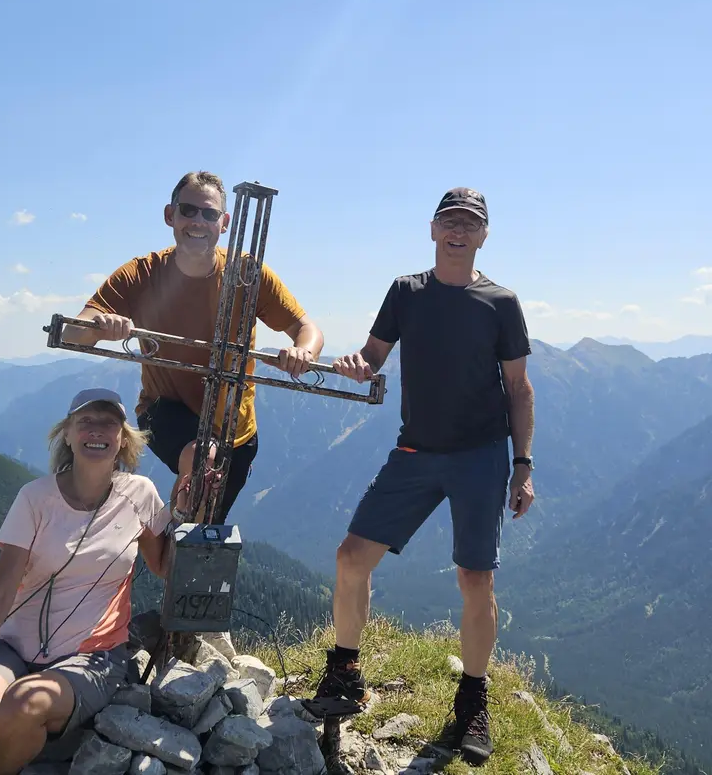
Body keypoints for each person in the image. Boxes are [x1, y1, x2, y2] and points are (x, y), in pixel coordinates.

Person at [301, 187, 536, 766]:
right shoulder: (405, 292)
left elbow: (518, 387)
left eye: (470, 224)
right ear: (432, 229)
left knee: (475, 580)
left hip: (481, 455)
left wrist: (523, 465)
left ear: (484, 236)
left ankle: (472, 701)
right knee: (351, 557)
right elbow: (373, 355)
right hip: (415, 450)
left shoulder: (501, 302)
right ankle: (345, 672)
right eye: (449, 221)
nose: (458, 231)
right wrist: (357, 364)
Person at [0, 387, 192, 775]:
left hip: (94, 655)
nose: (96, 430)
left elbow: (163, 565)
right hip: (13, 648)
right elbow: (0, 591)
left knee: (24, 704)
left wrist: (184, 514)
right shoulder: (35, 499)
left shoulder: (140, 494)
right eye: (85, 421)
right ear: (67, 434)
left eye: (109, 423)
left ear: (123, 438)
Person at [63, 170, 324, 524]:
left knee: (204, 527)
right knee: (202, 460)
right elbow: (72, 332)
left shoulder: (248, 274)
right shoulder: (141, 274)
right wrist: (100, 326)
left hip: (236, 431)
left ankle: (165, 535)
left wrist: (304, 352)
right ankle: (172, 526)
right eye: (188, 210)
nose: (198, 221)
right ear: (170, 215)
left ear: (224, 223)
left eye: (209, 213)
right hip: (163, 408)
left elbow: (306, 329)